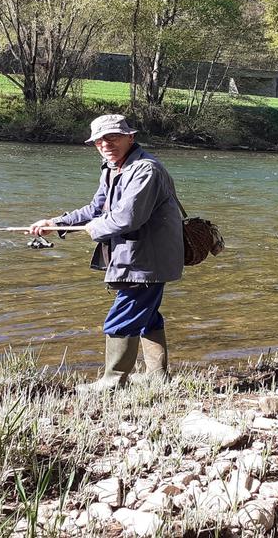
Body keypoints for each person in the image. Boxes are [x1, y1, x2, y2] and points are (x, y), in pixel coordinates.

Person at [28, 114, 184, 392]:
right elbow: (95, 209)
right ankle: (157, 377)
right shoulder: (112, 167)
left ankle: (113, 382)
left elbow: (127, 218)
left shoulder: (145, 170)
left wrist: (91, 229)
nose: (105, 144)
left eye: (112, 137)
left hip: (147, 260)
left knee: (121, 318)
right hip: (135, 256)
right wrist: (56, 223)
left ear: (130, 137)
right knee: (147, 316)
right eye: (99, 141)